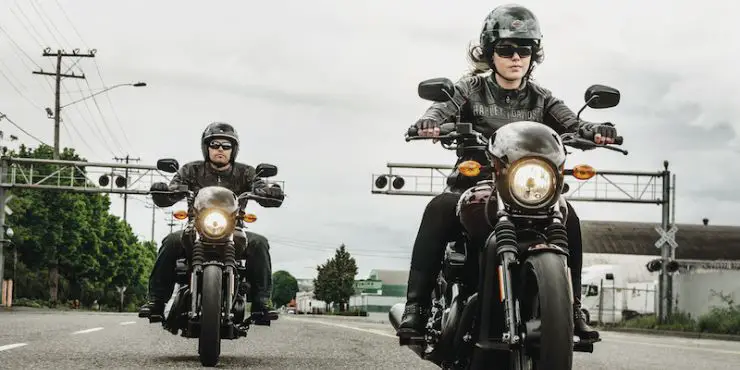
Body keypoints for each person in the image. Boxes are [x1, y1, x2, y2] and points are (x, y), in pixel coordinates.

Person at [396, 4, 618, 342]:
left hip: (528, 187)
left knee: (568, 216)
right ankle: (418, 307)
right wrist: (431, 121)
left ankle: (571, 308)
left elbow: (574, 123)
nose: (516, 57)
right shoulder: (469, 89)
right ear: (489, 52)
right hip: (476, 182)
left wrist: (595, 129)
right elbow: (442, 107)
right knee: (439, 208)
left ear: (534, 54)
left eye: (525, 49)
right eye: (506, 49)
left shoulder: (543, 98)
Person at [138, 122, 284, 323]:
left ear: (234, 150)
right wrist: (162, 191)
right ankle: (156, 301)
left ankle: (261, 304)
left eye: (226, 145)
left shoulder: (247, 173)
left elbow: (260, 188)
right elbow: (172, 191)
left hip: (235, 231)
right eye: (215, 144)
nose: (220, 149)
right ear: (206, 148)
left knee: (259, 243)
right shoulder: (190, 170)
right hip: (195, 230)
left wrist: (270, 192)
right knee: (170, 241)